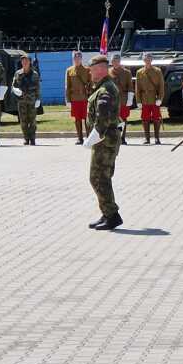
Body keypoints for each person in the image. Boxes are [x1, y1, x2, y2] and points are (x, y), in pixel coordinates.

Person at [84, 53, 123, 230]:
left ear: (100, 69)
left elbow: (104, 116)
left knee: (98, 177)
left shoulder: (106, 88)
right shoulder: (103, 86)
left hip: (104, 140)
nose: (90, 72)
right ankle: (107, 213)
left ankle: (112, 216)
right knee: (103, 177)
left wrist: (95, 134)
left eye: (92, 69)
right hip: (106, 140)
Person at [135, 52, 165, 144]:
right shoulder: (139, 72)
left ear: (151, 60)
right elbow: (137, 87)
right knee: (145, 119)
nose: (147, 61)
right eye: (145, 59)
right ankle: (147, 138)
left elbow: (161, 86)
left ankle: (157, 138)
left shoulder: (157, 71)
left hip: (154, 98)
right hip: (144, 99)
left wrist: (160, 98)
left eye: (149, 59)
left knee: (156, 118)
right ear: (143, 60)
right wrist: (138, 101)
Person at [11, 54, 41, 145]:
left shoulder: (35, 74)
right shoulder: (18, 73)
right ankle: (26, 138)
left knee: (32, 120)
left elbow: (38, 88)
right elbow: (13, 86)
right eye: (23, 61)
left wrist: (38, 99)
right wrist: (15, 90)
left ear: (30, 62)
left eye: (26, 61)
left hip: (32, 100)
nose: (24, 62)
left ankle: (32, 138)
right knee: (23, 120)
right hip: (21, 101)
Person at [65, 50, 93, 144]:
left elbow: (91, 84)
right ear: (73, 59)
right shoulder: (69, 70)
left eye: (79, 58)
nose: (77, 59)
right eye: (75, 58)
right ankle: (79, 138)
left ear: (81, 59)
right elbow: (67, 86)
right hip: (74, 98)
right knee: (77, 119)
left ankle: (89, 137)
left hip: (85, 98)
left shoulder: (87, 70)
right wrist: (68, 100)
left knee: (87, 119)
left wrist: (91, 96)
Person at [109, 54, 134, 145]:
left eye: (117, 61)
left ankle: (122, 138)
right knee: (113, 120)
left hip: (123, 99)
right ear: (111, 62)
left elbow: (130, 87)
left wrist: (130, 98)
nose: (115, 63)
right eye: (113, 61)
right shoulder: (108, 72)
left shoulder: (126, 72)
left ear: (120, 62)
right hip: (112, 100)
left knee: (123, 119)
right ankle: (114, 138)